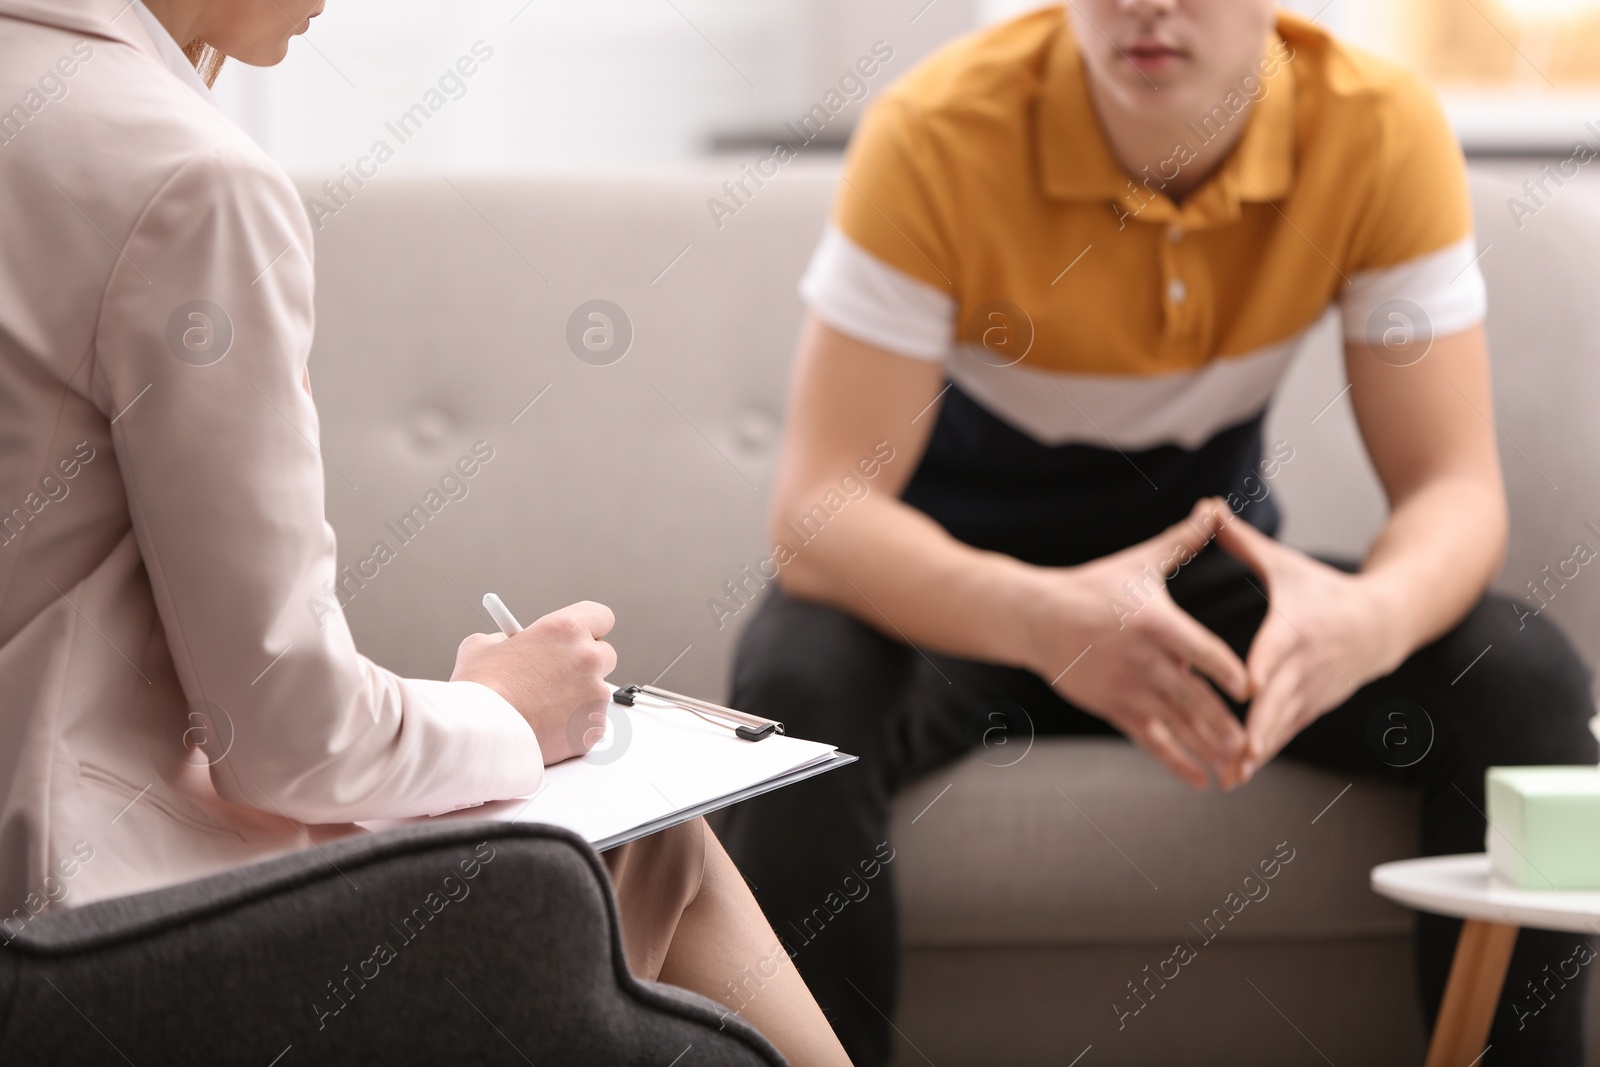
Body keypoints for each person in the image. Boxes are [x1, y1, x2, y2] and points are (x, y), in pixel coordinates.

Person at [718, 1, 1598, 1064]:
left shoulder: (1374, 128)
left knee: (1523, 675)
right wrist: (1046, 619)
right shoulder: (939, 130)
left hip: (1197, 596)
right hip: (961, 605)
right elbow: (818, 517)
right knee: (793, 678)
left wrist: (1369, 618)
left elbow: (1453, 489)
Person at [0, 1, 850, 1062]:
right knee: (642, 841)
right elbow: (282, 735)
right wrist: (504, 711)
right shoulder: (186, 180)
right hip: (84, 935)